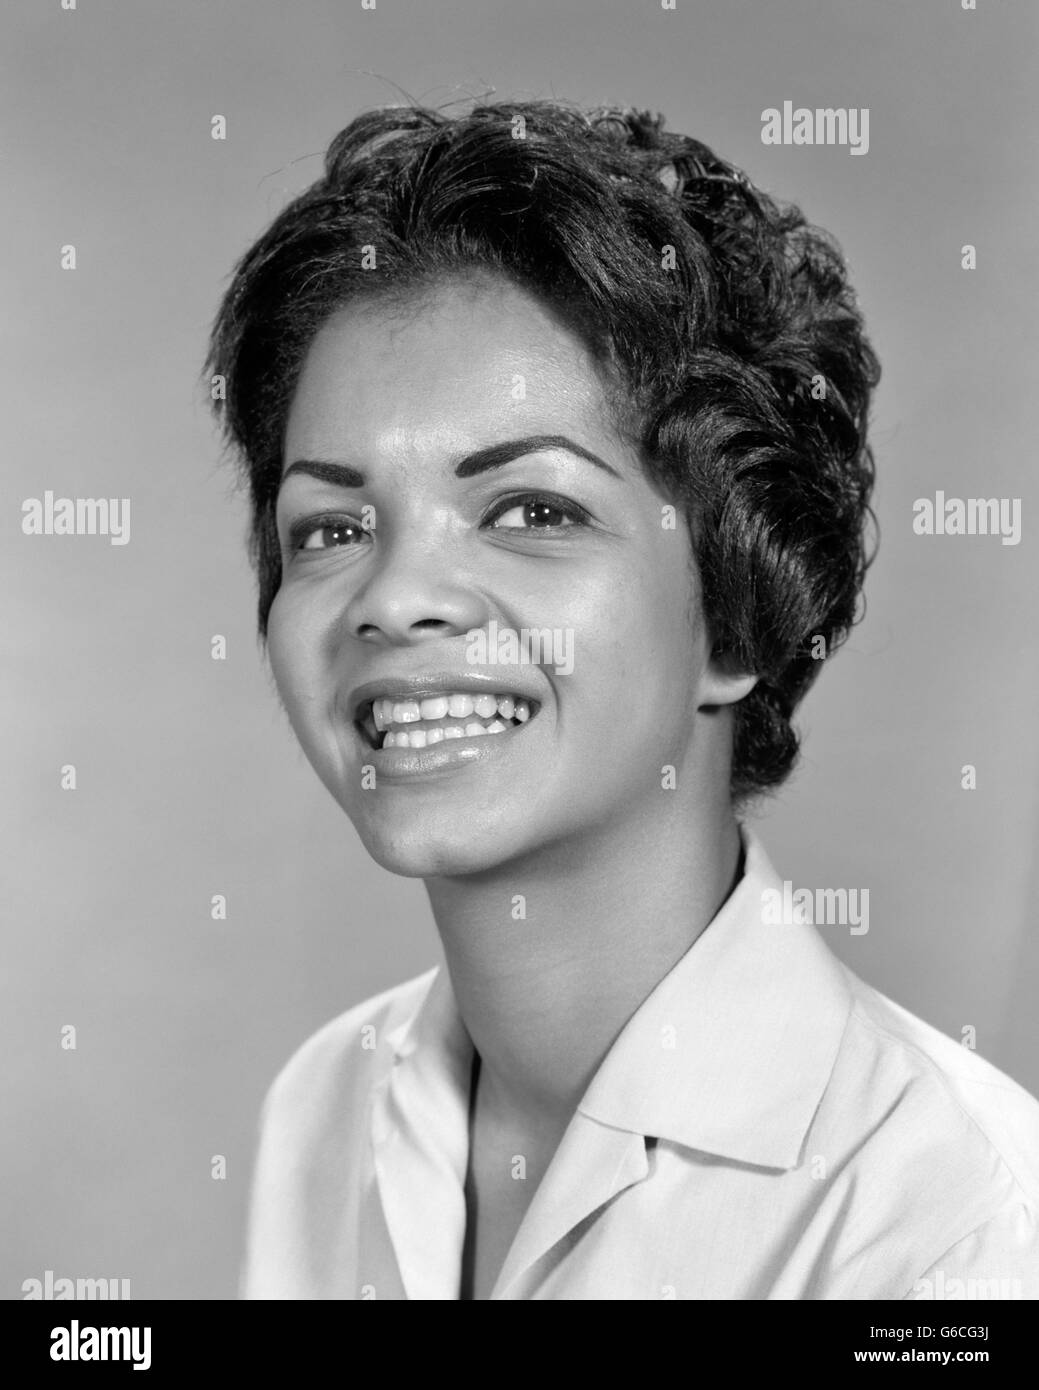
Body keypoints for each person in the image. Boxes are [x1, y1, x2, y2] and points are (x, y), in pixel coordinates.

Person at [206, 99, 1039, 1300]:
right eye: (331, 526)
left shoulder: (957, 1227)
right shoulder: (322, 1105)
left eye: (532, 511)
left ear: (738, 612)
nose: (393, 598)